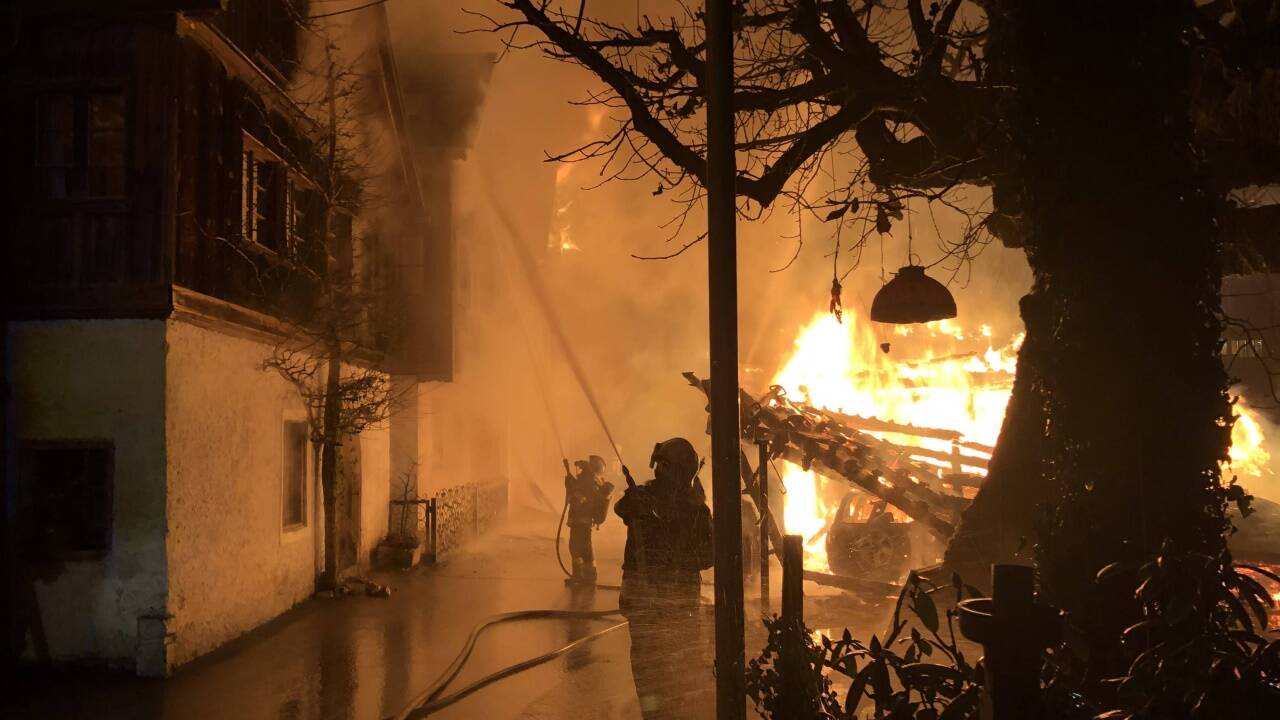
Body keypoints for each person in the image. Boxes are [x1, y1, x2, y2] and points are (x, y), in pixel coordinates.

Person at [614, 437, 714, 718]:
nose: (658, 472)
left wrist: (676, 561)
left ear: (681, 472)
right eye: (659, 465)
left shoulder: (695, 510)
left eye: (665, 467)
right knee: (646, 667)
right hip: (645, 599)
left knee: (679, 666)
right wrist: (636, 501)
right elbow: (621, 509)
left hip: (677, 604)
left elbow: (711, 554)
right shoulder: (644, 497)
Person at [564, 455, 613, 585]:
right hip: (585, 521)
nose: (584, 466)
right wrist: (571, 483)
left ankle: (578, 575)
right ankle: (590, 575)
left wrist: (571, 484)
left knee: (575, 546)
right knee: (586, 548)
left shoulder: (589, 481)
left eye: (589, 464)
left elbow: (582, 498)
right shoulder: (595, 481)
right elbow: (581, 493)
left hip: (580, 520)